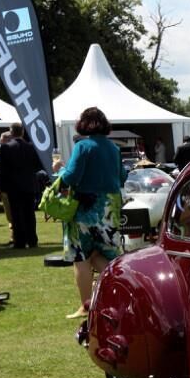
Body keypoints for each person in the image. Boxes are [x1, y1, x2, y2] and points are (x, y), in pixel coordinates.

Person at [60, 107, 126, 318]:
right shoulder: (114, 149)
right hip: (111, 207)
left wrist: (59, 171)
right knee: (105, 254)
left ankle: (85, 307)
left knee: (81, 256)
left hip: (86, 207)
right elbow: (122, 176)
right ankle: (123, 295)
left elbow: (70, 177)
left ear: (84, 124)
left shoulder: (83, 146)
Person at [0, 122, 42, 248]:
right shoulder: (32, 147)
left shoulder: (6, 148)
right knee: (29, 214)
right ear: (22, 132)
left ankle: (19, 241)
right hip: (29, 185)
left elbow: (1, 169)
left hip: (13, 186)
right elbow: (39, 165)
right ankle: (32, 240)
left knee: (16, 215)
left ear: (11, 133)